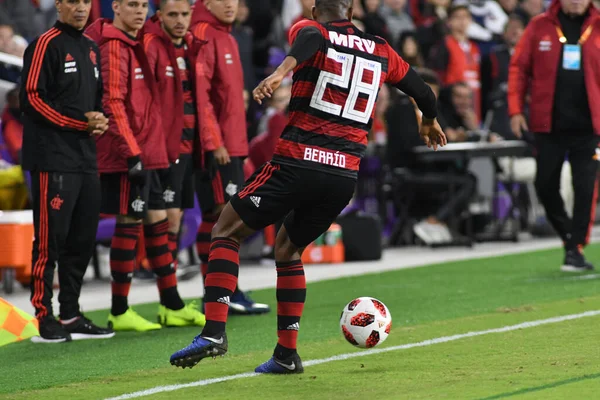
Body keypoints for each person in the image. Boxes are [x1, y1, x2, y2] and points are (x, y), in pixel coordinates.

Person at [170, 0, 445, 373]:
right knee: (287, 251)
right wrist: (428, 119)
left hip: (297, 163)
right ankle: (286, 355)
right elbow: (424, 92)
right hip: (343, 176)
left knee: (226, 230)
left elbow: (312, 40)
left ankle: (215, 331)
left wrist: (281, 71)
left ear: (316, 11)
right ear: (350, 12)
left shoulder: (309, 28)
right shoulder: (381, 48)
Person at [86, 0, 205, 332]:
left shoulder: (135, 42)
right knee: (130, 220)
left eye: (143, 5)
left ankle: (171, 304)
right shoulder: (114, 45)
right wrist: (132, 151)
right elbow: (112, 101)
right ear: (117, 8)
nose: (139, 11)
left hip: (148, 148)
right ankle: (119, 309)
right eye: (132, 5)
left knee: (155, 218)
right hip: (130, 151)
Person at [20, 0, 113, 343]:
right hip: (52, 159)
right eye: (73, 1)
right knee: (49, 242)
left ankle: (71, 313)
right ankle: (44, 317)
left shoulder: (90, 48)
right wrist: (79, 123)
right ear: (58, 4)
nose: (81, 8)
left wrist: (100, 118)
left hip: (86, 158)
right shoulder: (44, 44)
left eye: (86, 1)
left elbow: (96, 100)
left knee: (82, 240)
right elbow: (31, 98)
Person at [508, 0, 600, 272]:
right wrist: (515, 110)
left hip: (589, 128)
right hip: (548, 125)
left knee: (585, 188)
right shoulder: (539, 26)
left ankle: (575, 248)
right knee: (545, 184)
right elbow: (518, 69)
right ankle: (568, 234)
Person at [190, 0, 269, 315]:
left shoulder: (229, 36)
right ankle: (221, 292)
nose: (230, 4)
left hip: (233, 142)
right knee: (223, 217)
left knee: (220, 217)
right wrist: (214, 141)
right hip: (218, 146)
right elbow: (202, 94)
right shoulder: (204, 34)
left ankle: (224, 291)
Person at [143, 0, 215, 281]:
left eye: (185, 14)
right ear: (159, 16)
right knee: (165, 217)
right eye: (173, 15)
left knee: (177, 217)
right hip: (163, 146)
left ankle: (167, 282)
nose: (180, 20)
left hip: (189, 145)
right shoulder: (151, 46)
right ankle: (165, 285)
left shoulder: (192, 46)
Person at [428, 0, 482, 122]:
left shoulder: (475, 48)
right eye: (458, 17)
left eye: (466, 17)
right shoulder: (445, 45)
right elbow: (438, 77)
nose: (462, 21)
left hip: (473, 103)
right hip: (452, 106)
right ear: (449, 22)